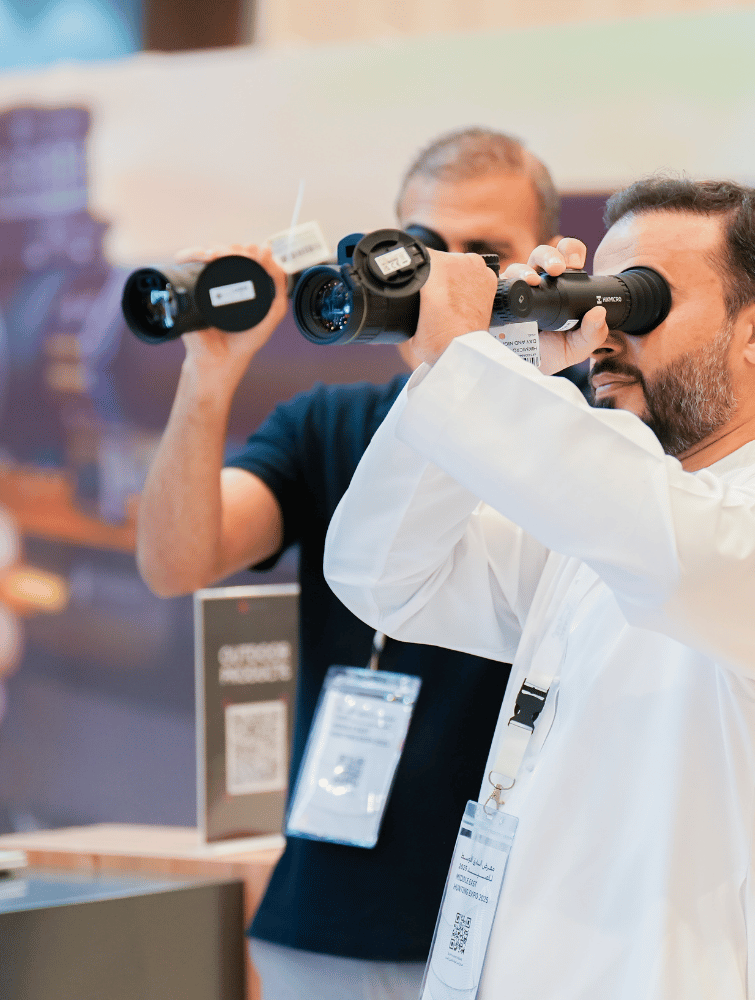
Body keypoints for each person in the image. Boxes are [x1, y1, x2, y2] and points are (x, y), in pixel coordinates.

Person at [323, 178, 755, 999]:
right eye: (600, 298)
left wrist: (470, 364)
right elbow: (382, 575)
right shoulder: (592, 534)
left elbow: (665, 544)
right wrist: (497, 361)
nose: (607, 334)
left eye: (640, 300)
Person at [136, 127, 562, 1000]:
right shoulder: (327, 425)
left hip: (514, 928)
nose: (446, 278)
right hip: (323, 925)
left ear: (542, 260)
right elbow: (176, 562)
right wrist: (209, 376)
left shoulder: (584, 438)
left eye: (484, 253)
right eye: (426, 247)